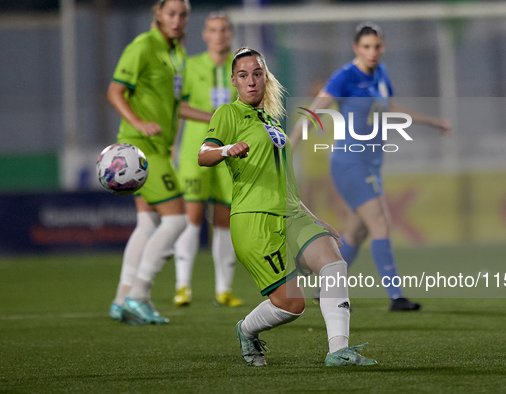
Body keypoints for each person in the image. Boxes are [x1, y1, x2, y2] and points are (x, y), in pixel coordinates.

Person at [198, 47, 377, 366]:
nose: (251, 81)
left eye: (257, 74)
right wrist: (227, 150)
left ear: (266, 78)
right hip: (255, 219)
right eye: (243, 75)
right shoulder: (228, 114)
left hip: (292, 213)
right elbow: (204, 153)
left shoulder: (270, 120)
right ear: (234, 81)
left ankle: (339, 351)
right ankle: (246, 330)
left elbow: (285, 184)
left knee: (334, 265)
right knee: (291, 305)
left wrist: (315, 219)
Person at [290, 23, 452, 311]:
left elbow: (389, 107)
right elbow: (314, 111)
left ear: (382, 47)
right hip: (350, 162)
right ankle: (396, 297)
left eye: (376, 46)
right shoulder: (345, 77)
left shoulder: (380, 74)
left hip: (372, 163)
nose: (372, 52)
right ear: (356, 48)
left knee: (358, 233)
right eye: (366, 47)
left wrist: (431, 121)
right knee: (380, 223)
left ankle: (324, 284)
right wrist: (289, 147)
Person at [107, 0, 211, 325]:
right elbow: (115, 92)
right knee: (177, 221)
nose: (177, 20)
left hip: (158, 148)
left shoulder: (177, 53)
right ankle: (139, 295)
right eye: (171, 13)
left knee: (148, 223)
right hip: (141, 149)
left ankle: (121, 298)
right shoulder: (143, 46)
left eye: (182, 15)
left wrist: (212, 117)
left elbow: (176, 106)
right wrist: (139, 124)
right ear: (158, 14)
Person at [172, 13, 243, 308]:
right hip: (195, 150)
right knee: (192, 216)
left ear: (231, 34)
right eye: (213, 30)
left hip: (231, 152)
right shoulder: (191, 66)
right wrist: (173, 145)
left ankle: (223, 289)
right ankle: (182, 286)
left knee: (224, 219)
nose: (219, 35)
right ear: (204, 35)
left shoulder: (241, 67)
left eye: (224, 30)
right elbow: (178, 106)